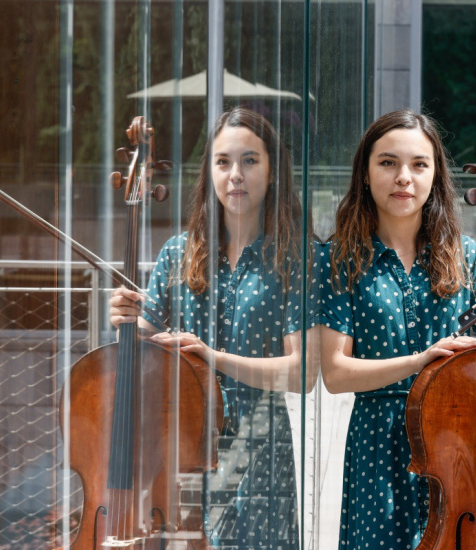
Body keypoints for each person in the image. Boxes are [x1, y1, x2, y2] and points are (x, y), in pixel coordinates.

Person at [319, 109, 476, 549]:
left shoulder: (466, 256)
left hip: (459, 443)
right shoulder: (339, 260)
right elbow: (336, 374)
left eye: (419, 164)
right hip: (379, 445)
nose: (403, 177)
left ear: (435, 176)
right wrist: (419, 362)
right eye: (388, 163)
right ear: (365, 174)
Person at [109, 107, 318, 550]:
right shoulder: (177, 253)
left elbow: (301, 372)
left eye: (249, 161)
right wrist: (126, 323)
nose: (235, 175)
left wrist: (213, 357)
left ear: (273, 170)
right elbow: (146, 347)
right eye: (223, 162)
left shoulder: (297, 256)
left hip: (263, 446)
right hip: (184, 442)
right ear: (209, 171)